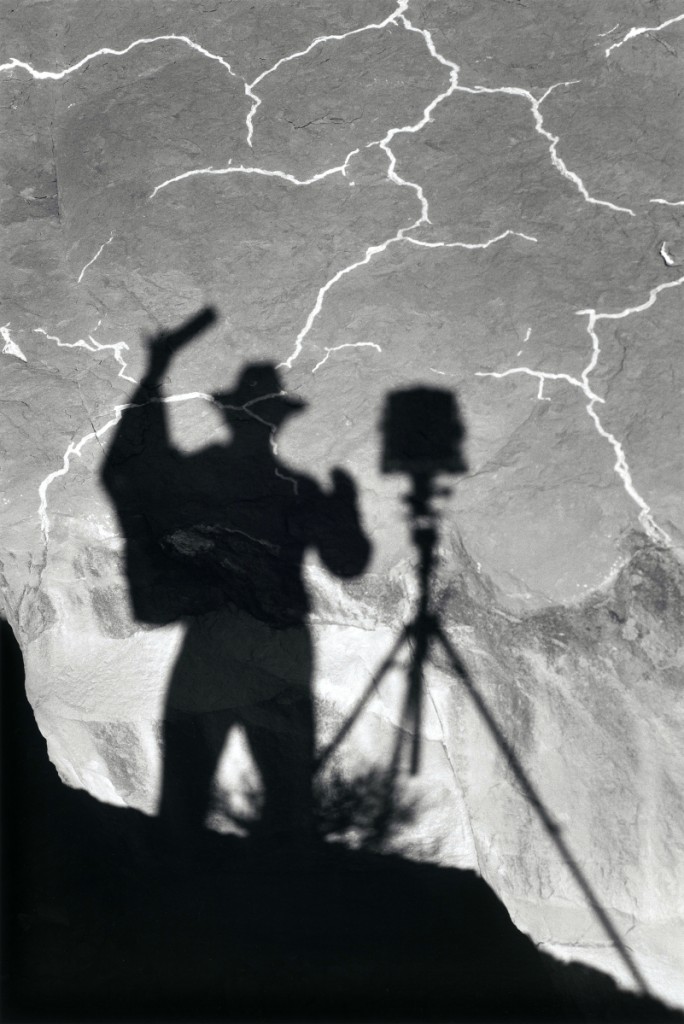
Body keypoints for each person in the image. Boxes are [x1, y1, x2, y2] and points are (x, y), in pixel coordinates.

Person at [101, 312, 371, 840]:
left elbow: (124, 475)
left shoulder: (199, 476)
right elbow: (349, 563)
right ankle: (277, 907)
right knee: (288, 804)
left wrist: (154, 375)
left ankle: (184, 902)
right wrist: (347, 509)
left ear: (229, 416)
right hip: (276, 658)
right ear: (277, 421)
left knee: (186, 801)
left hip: (213, 652)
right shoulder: (298, 490)